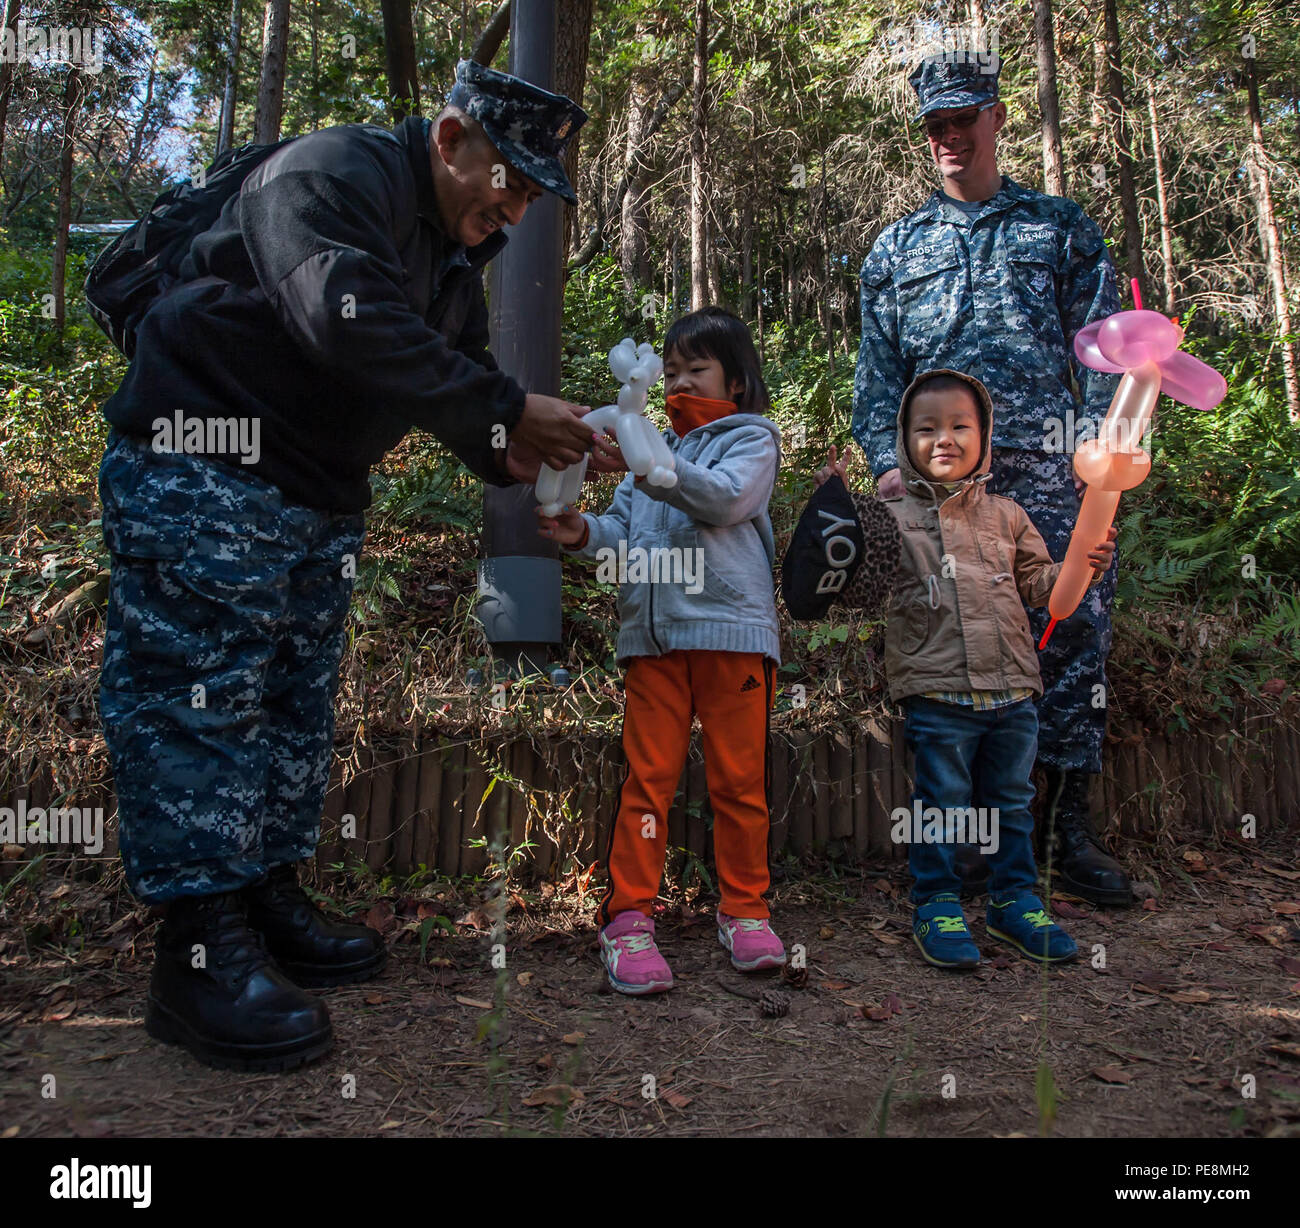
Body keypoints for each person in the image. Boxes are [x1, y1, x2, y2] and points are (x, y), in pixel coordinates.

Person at [98, 59, 613, 1072]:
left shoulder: (455, 255)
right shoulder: (330, 174)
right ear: (448, 138)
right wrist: (506, 410)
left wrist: (531, 447)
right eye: (502, 174)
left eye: (529, 190)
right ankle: (196, 951)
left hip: (314, 493)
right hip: (205, 461)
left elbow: (457, 385)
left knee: (290, 701)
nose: (511, 203)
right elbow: (344, 314)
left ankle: (262, 895)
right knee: (198, 698)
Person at [853, 50, 1132, 906]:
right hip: (941, 492)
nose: (947, 138)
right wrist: (884, 471)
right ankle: (970, 841)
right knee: (953, 651)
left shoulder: (1060, 227)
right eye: (933, 125)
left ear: (997, 117)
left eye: (961, 121)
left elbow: (1109, 351)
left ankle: (1062, 834)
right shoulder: (897, 248)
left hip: (1050, 480)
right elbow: (877, 379)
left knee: (1070, 633)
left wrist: (1104, 460)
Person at [819, 370, 1116, 967]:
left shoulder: (1007, 514)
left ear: (984, 437)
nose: (944, 438)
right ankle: (936, 903)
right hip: (937, 689)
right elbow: (853, 586)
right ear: (905, 441)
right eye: (926, 429)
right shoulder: (890, 516)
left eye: (960, 425)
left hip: (1012, 687)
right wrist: (836, 513)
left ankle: (1015, 902)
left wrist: (1083, 565)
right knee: (942, 803)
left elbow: (1041, 586)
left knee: (1011, 799)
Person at [537, 308, 785, 994]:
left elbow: (725, 501)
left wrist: (651, 462)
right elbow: (623, 534)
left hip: (731, 635)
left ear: (735, 381)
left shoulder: (752, 439)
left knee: (739, 782)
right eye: (668, 371)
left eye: (694, 370)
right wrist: (583, 531)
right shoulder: (644, 452)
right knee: (649, 780)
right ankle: (629, 919)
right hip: (652, 638)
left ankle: (745, 911)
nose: (676, 383)